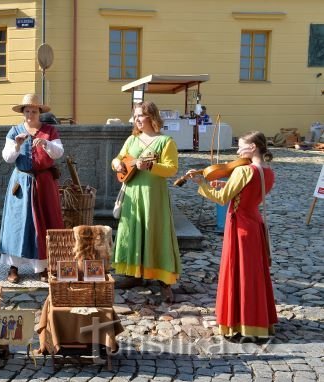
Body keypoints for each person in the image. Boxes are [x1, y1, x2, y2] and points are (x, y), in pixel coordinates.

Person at [186, 131, 277, 340]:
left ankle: (238, 323)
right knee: (254, 276)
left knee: (238, 273)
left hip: (239, 226)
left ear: (253, 147)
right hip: (255, 225)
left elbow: (221, 199)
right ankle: (257, 322)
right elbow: (250, 193)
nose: (237, 151)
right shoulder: (268, 172)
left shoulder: (243, 172)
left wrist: (201, 183)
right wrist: (228, 185)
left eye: (241, 146)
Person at [110, 101, 181, 303]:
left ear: (151, 117)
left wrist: (150, 166)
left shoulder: (165, 142)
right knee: (132, 230)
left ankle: (163, 279)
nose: (137, 119)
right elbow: (118, 159)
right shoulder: (132, 140)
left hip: (153, 196)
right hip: (132, 193)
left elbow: (171, 168)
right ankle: (133, 274)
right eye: (135, 115)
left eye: (141, 115)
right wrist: (117, 164)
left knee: (155, 231)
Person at [0, 94, 64, 283]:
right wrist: (18, 145)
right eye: (27, 111)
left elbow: (59, 152)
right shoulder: (14, 131)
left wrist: (46, 143)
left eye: (34, 111)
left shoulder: (49, 131)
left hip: (44, 183)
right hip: (21, 181)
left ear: (39, 112)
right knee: (17, 224)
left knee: (44, 223)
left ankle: (43, 267)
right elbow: (8, 158)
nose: (30, 114)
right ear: (23, 112)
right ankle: (14, 267)